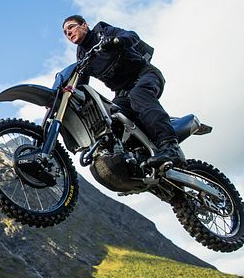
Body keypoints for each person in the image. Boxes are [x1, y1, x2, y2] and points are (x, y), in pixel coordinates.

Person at [62, 15, 184, 168]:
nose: (69, 33)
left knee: (138, 95)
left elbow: (132, 36)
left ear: (84, 25)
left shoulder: (103, 32)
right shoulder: (83, 56)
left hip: (144, 75)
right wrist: (69, 93)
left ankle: (170, 146)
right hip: (122, 92)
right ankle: (135, 156)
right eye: (66, 32)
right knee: (110, 116)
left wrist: (116, 41)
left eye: (71, 27)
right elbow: (81, 85)